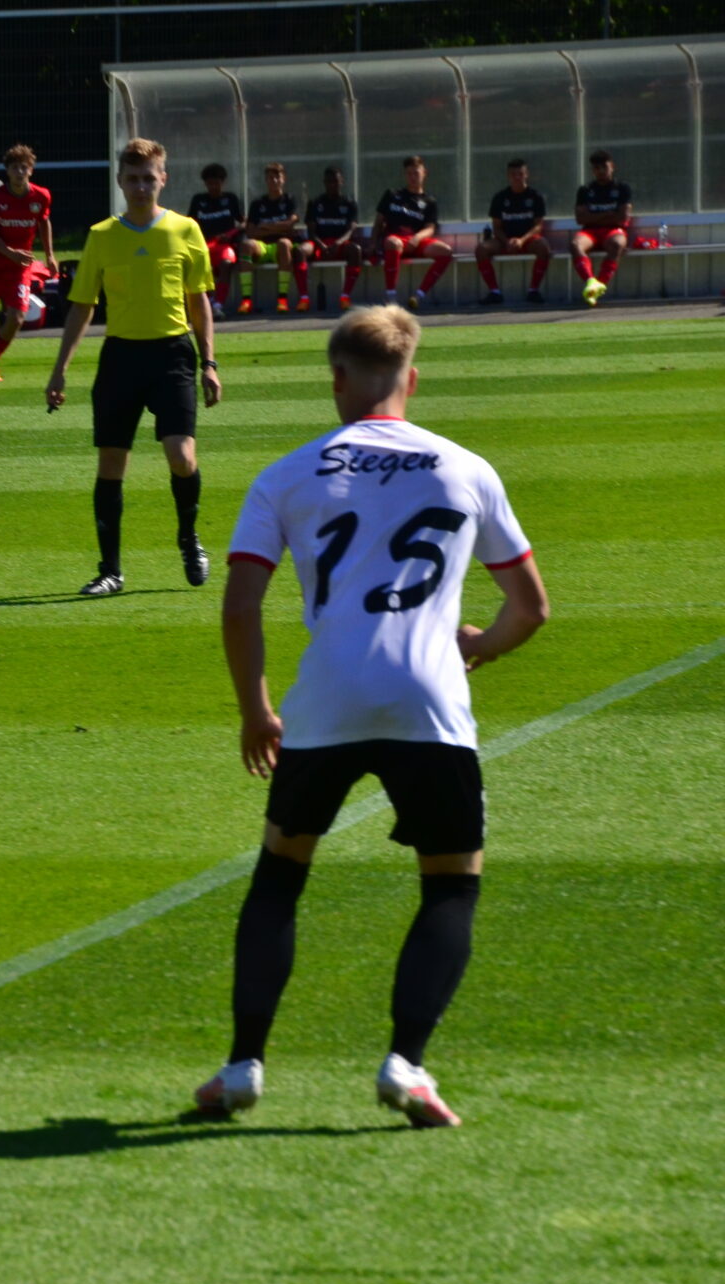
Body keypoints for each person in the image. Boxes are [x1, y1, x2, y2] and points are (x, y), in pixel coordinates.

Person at [198, 304, 548, 1129]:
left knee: (281, 875)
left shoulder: (288, 474)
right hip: (429, 696)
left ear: (337, 381)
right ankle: (406, 1065)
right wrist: (474, 649)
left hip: (326, 697)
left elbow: (241, 604)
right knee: (451, 885)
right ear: (412, 379)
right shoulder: (466, 468)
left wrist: (256, 709)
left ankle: (243, 1066)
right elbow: (529, 607)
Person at [46, 138, 220, 598]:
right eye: (133, 178)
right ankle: (111, 570)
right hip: (121, 358)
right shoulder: (102, 236)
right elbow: (82, 305)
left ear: (163, 179)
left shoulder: (185, 230)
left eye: (150, 177)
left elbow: (198, 300)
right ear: (121, 182)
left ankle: (189, 537)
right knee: (110, 464)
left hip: (173, 356)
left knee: (182, 458)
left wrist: (210, 363)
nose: (141, 186)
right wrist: (60, 368)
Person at [0, 144, 54, 381]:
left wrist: (50, 256)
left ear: (31, 170)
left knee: (17, 317)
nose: (20, 172)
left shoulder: (41, 196)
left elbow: (44, 223)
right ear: (7, 170)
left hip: (19, 268)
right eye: (15, 167)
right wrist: (12, 253)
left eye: (24, 167)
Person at [371, 155, 452, 311]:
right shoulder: (392, 195)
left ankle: (418, 295)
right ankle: (391, 296)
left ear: (424, 173)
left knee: (446, 252)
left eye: (416, 173)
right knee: (392, 243)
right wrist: (373, 242)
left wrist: (416, 238)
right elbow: (378, 222)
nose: (413, 177)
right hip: (395, 239)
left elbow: (430, 228)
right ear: (405, 175)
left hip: (416, 240)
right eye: (409, 173)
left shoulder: (429, 201)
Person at [474, 158, 551, 306]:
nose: (517, 177)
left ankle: (533, 291)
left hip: (527, 239)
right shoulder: (500, 197)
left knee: (543, 247)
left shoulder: (535, 196)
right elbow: (496, 227)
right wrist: (507, 240)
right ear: (508, 176)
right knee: (481, 249)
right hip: (505, 240)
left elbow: (538, 226)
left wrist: (521, 240)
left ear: (526, 174)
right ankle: (494, 292)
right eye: (513, 174)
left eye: (520, 174)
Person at [571, 149, 633, 307]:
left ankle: (598, 288)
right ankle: (591, 282)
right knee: (575, 245)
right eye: (596, 169)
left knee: (618, 244)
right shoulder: (585, 190)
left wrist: (595, 216)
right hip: (590, 231)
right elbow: (580, 219)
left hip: (612, 230)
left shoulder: (622, 188)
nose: (601, 171)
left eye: (604, 167)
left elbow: (622, 218)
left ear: (612, 166)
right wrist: (608, 214)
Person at [245, 162, 310, 313]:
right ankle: (246, 301)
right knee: (247, 245)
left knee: (283, 243)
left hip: (283, 247)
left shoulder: (290, 200)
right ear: (265, 180)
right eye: (269, 178)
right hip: (263, 247)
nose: (273, 180)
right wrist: (279, 227)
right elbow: (250, 232)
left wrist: (266, 226)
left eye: (277, 177)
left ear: (283, 179)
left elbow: (291, 223)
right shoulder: (257, 203)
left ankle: (282, 300)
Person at [186, 164, 248, 318]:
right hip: (204, 245)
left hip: (225, 245)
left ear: (223, 182)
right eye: (210, 183)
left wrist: (230, 233)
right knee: (199, 264)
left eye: (216, 183)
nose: (213, 187)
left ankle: (218, 304)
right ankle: (204, 304)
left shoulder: (230, 199)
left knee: (226, 263)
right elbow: (189, 224)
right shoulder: (198, 200)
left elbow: (245, 223)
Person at [305, 166, 365, 311]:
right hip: (319, 243)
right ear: (324, 183)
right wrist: (320, 245)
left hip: (340, 244)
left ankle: (345, 297)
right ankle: (304, 298)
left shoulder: (349, 203)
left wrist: (338, 243)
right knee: (301, 251)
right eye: (329, 181)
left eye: (336, 181)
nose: (333, 184)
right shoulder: (315, 203)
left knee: (355, 250)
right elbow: (311, 231)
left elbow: (351, 229)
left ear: (341, 182)